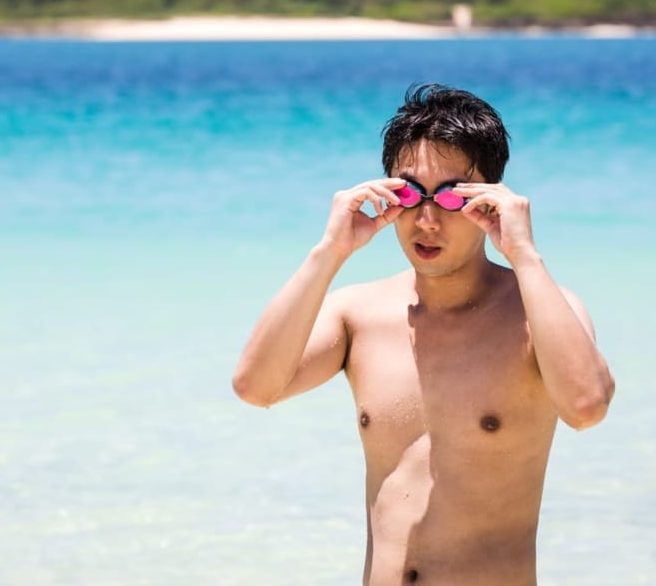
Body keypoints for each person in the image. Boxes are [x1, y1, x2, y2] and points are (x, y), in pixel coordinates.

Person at [232, 84, 615, 586]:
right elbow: (255, 387)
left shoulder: (540, 313)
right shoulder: (357, 314)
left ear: (492, 200)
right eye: (411, 194)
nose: (427, 220)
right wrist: (329, 252)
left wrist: (524, 255)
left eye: (453, 197)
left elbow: (586, 407)